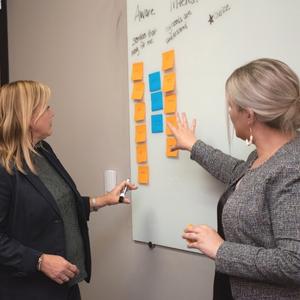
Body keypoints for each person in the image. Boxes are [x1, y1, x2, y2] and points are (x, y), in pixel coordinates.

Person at [168, 58, 300, 299]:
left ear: (249, 115)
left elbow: (294, 262)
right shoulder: (263, 157)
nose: (229, 113)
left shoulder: (293, 168)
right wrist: (193, 145)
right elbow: (239, 173)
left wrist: (221, 249)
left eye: (231, 106)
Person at [0, 80, 137, 300]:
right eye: (46, 107)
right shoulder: (4, 167)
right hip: (29, 290)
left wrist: (104, 200)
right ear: (27, 116)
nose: (52, 113)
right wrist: (40, 261)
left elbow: (58, 208)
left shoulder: (43, 151)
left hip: (66, 286)